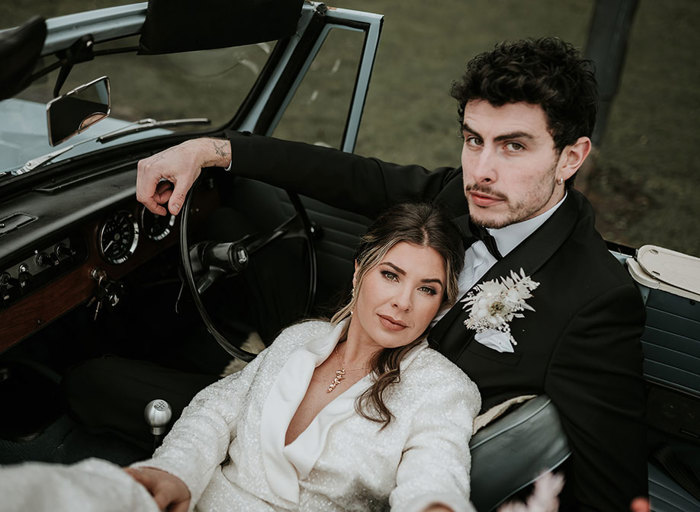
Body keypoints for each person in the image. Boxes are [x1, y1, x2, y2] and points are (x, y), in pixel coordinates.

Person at [134, 37, 648, 511]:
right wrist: (212, 151)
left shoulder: (596, 300)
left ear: (571, 157)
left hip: (374, 464)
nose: (482, 171)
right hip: (309, 377)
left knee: (103, 390)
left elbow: (613, 486)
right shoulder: (457, 196)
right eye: (474, 140)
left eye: (514, 146)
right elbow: (350, 176)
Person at [2, 203, 480, 512]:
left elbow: (436, 476)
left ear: (442, 305)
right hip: (194, 500)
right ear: (359, 273)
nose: (403, 302)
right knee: (57, 495)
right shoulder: (301, 338)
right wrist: (174, 472)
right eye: (391, 275)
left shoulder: (443, 388)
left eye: (427, 289)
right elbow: (217, 410)